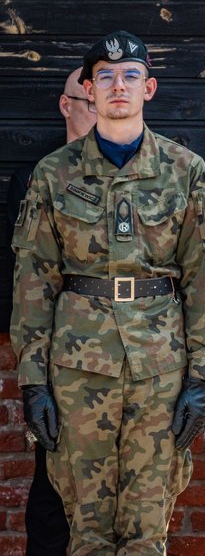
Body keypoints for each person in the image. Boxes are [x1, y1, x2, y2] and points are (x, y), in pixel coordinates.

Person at [10, 30, 205, 555]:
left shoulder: (184, 170)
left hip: (160, 371)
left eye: (130, 75)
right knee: (85, 535)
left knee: (147, 533)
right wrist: (33, 381)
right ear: (88, 89)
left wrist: (202, 376)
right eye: (104, 76)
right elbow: (34, 279)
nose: (117, 86)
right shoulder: (54, 174)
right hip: (78, 370)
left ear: (149, 88)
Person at [7, 66, 96, 556]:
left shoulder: (141, 174)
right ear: (66, 106)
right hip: (64, 355)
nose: (100, 107)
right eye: (87, 100)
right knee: (53, 485)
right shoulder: (35, 177)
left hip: (130, 356)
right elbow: (31, 279)